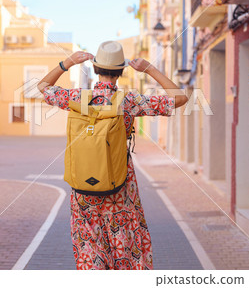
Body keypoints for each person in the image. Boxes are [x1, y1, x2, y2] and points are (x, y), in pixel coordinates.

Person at [38, 41, 188, 270]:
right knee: (125, 251)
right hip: (120, 188)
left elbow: (43, 87)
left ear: (96, 69)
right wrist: (149, 68)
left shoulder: (78, 99)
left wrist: (68, 62)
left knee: (90, 250)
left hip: (84, 192)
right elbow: (179, 98)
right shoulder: (129, 102)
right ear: (121, 72)